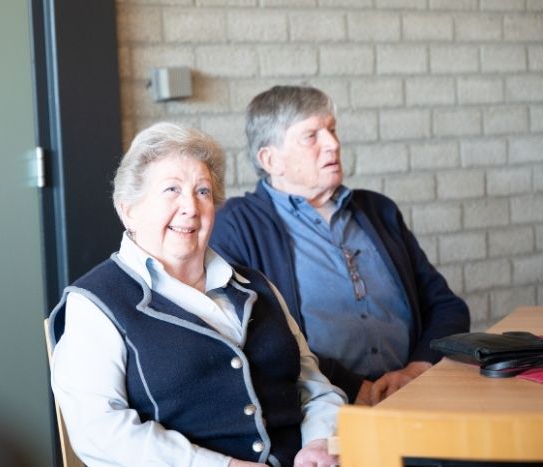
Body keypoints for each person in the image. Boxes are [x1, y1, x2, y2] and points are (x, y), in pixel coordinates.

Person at [50, 122, 344, 467]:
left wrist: (320, 442)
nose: (190, 207)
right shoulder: (95, 303)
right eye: (171, 190)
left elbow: (314, 387)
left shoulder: (256, 286)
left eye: (202, 191)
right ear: (128, 209)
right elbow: (100, 431)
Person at [210, 85, 470, 406]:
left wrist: (417, 369)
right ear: (271, 159)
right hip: (319, 408)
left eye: (332, 130)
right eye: (311, 136)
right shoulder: (237, 225)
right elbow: (249, 336)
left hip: (412, 394)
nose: (333, 144)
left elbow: (447, 306)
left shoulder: (378, 211)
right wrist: (351, 386)